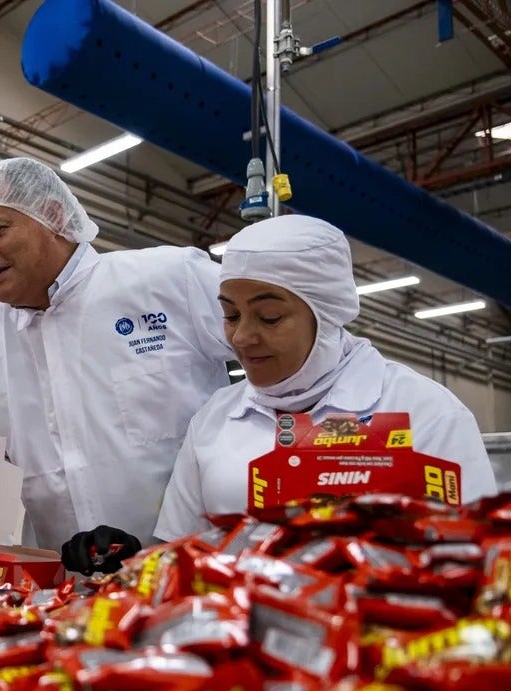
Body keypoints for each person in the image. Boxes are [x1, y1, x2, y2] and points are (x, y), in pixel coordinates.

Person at [152, 214, 497, 544]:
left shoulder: (424, 412)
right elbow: (175, 549)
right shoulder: (214, 419)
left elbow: (478, 549)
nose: (241, 336)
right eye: (231, 314)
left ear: (327, 313)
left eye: (269, 317)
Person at [0, 156, 233, 562]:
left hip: (194, 570)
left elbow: (285, 364)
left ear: (52, 216)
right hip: (65, 588)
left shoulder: (168, 279)